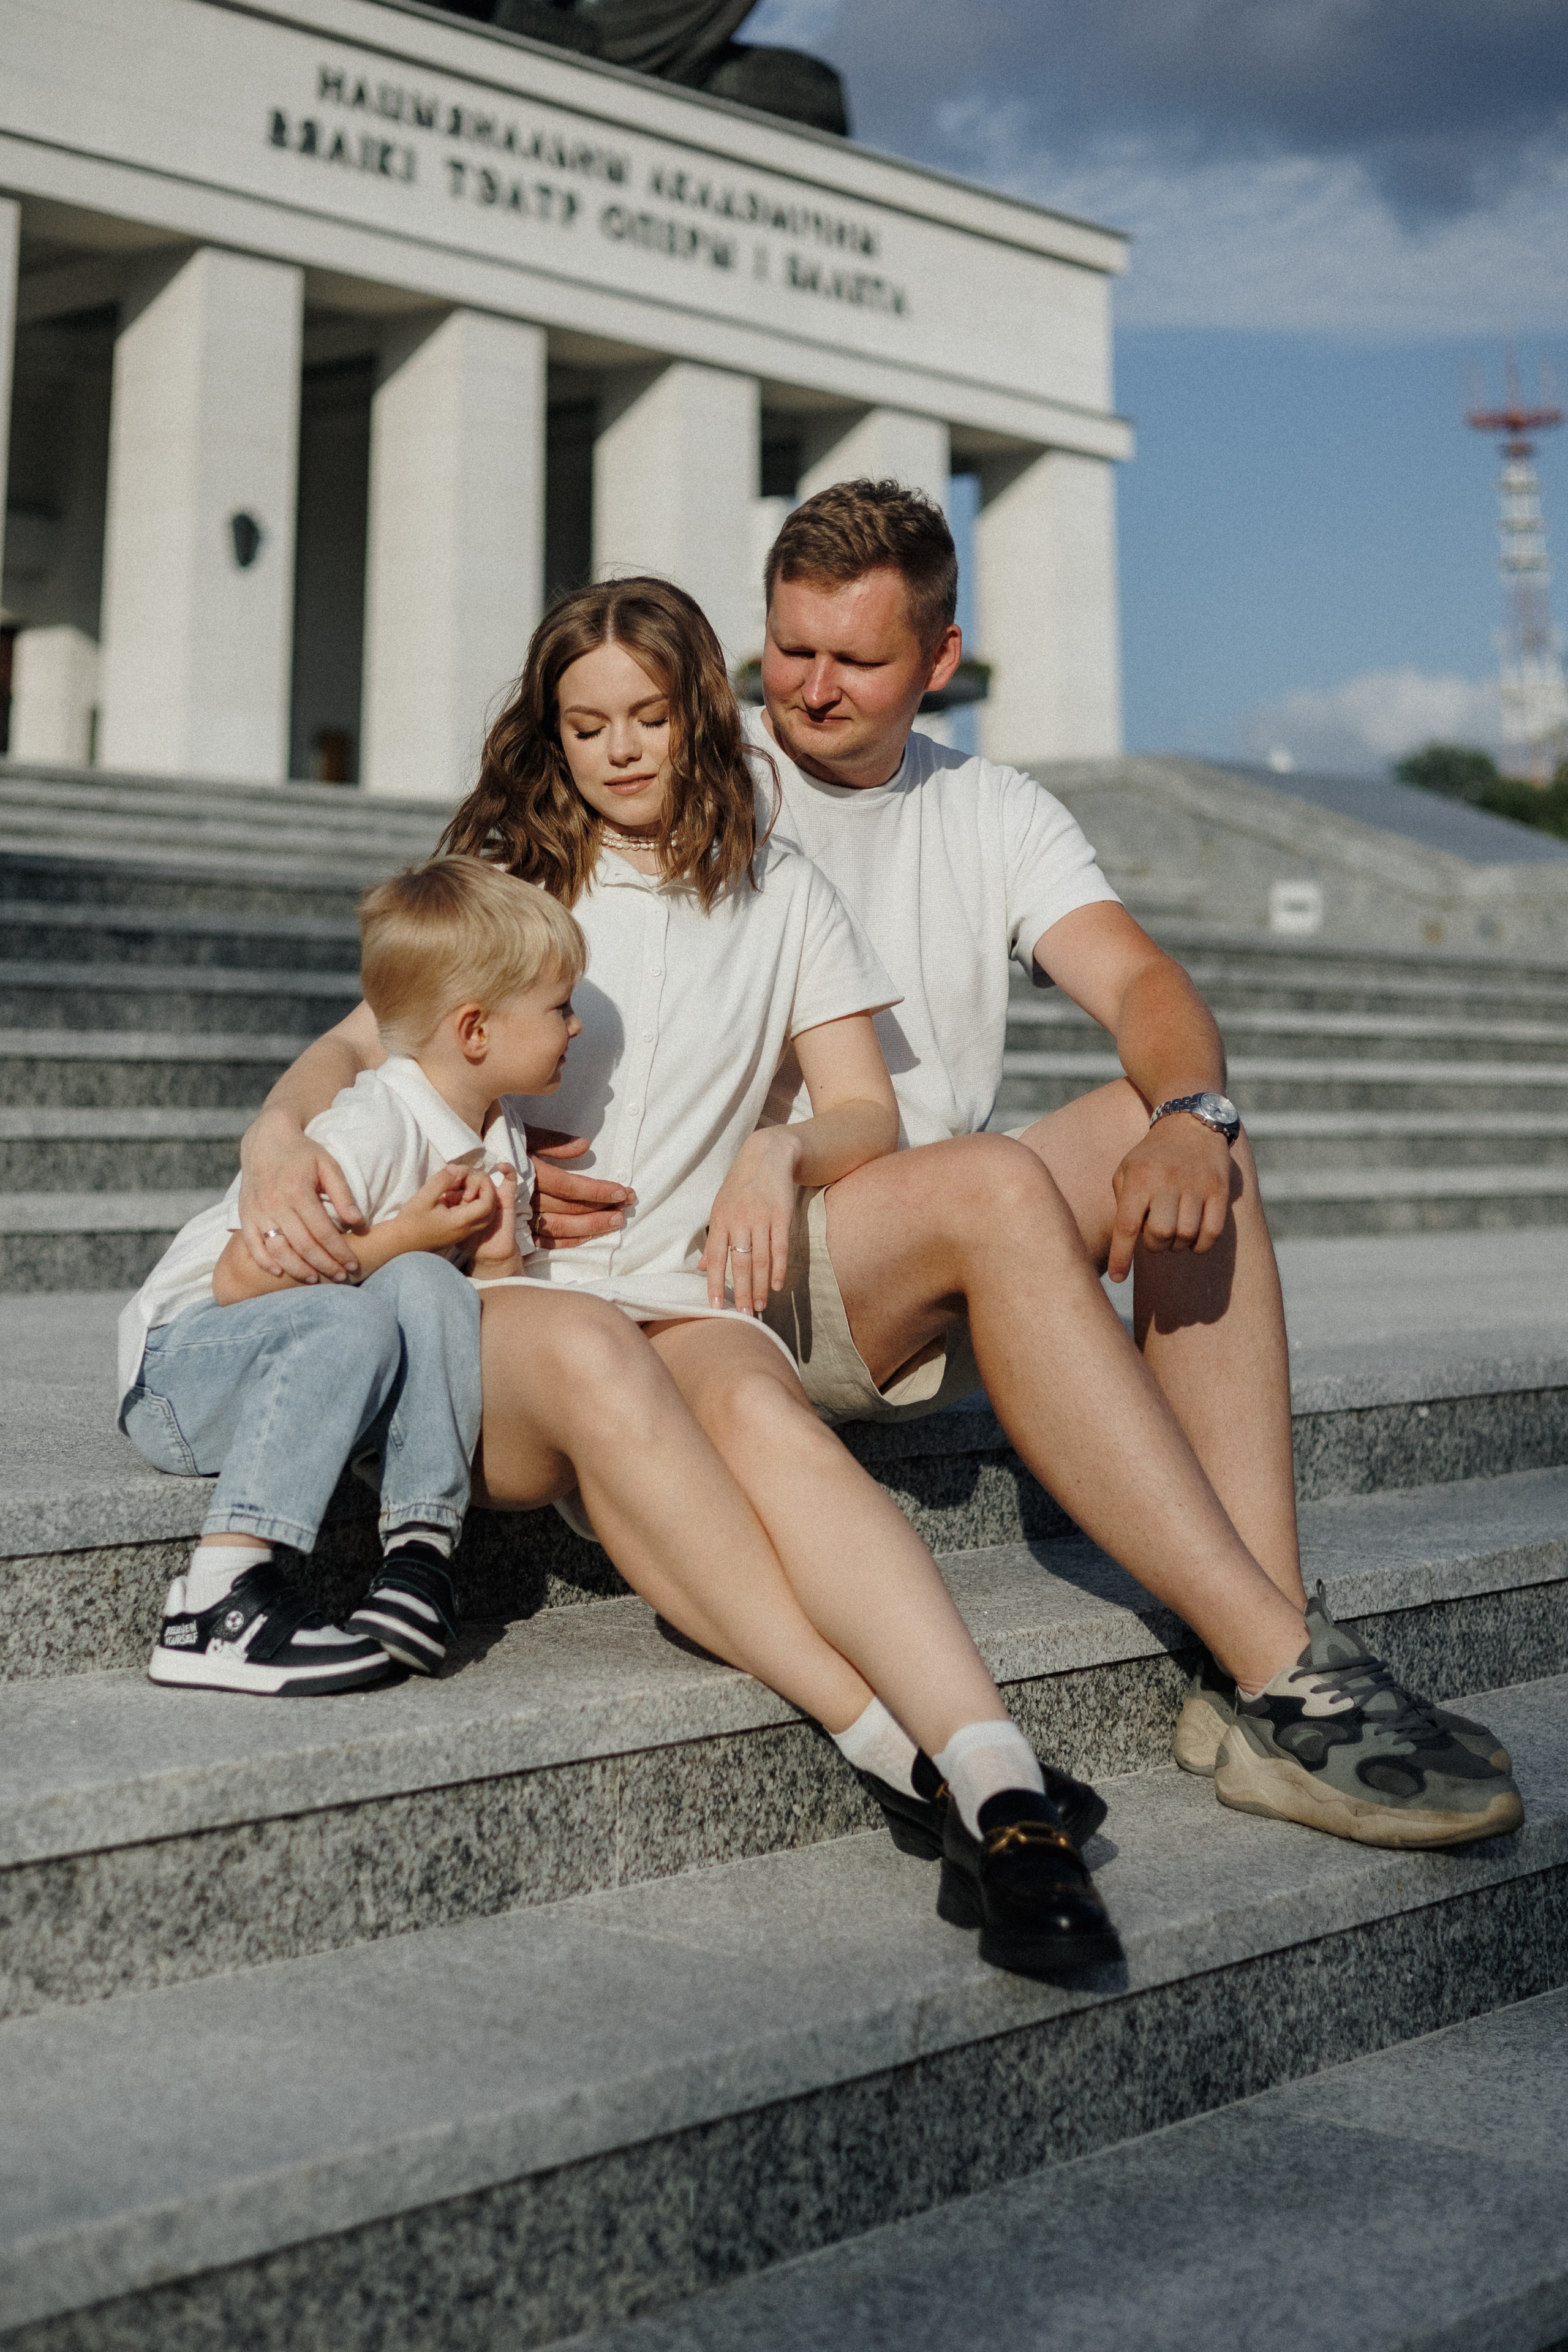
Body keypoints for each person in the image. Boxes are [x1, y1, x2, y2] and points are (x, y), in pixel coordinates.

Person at [519, 485, 1518, 1855]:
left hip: (915, 1225)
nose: (808, 690)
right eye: (787, 650)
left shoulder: (988, 807)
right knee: (990, 1183)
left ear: (939, 660)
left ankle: (1267, 1669)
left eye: (855, 659)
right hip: (738, 1269)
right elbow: (469, 961)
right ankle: (1283, 1662)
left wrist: (1191, 1113)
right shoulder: (688, 764)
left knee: (1165, 1129)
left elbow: (1143, 982)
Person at [232, 576, 1121, 1985]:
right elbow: (361, 1048)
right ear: (553, 735)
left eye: (648, 716)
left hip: (689, 1292)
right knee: (597, 1348)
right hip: (514, 1300)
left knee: (767, 1419)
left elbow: (863, 1113)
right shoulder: (509, 871)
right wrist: (274, 1136)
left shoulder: (779, 883)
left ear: (698, 712)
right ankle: (900, 1755)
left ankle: (1001, 1792)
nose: (622, 749)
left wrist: (778, 1153)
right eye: (587, 725)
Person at [119, 856, 582, 1695]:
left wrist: (492, 1244)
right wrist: (407, 1232)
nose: (577, 1027)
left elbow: (479, 1304)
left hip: (312, 1382)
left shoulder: (497, 1131)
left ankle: (417, 1560)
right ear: (475, 1032)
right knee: (357, 1312)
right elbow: (239, 1281)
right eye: (561, 1007)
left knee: (430, 1289)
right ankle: (214, 1604)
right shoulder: (369, 1124)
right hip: (185, 1377)